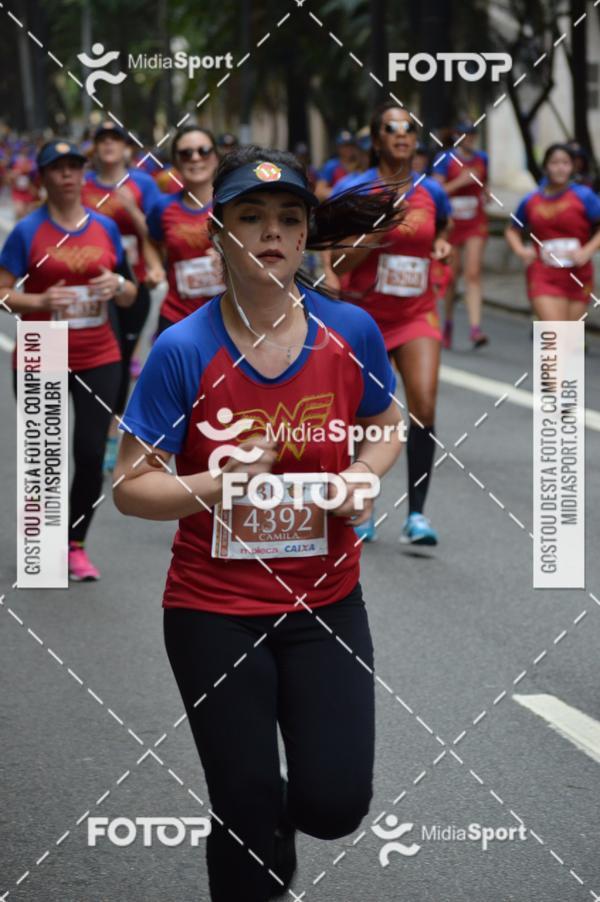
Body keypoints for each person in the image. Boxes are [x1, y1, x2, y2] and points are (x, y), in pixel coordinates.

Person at [113, 145, 403, 902]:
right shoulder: (183, 349)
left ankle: (277, 818)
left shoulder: (351, 332)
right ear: (219, 234)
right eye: (251, 217)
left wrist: (363, 477)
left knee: (333, 806)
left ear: (306, 237)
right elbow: (130, 489)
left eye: (288, 219)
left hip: (326, 605)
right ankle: (252, 832)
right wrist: (220, 481)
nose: (271, 232)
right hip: (214, 610)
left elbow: (387, 421)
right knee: (242, 804)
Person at [0, 139, 136, 580]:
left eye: (75, 166)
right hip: (42, 346)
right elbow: (3, 294)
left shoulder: (105, 227)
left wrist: (116, 284)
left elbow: (132, 291)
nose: (68, 175)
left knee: (92, 453)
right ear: (42, 177)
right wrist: (39, 297)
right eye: (57, 168)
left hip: (100, 352)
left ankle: (75, 544)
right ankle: (42, 543)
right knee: (46, 455)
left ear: (83, 173)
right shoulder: (27, 231)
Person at [330, 100, 452, 545]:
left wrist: (439, 246)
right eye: (391, 128)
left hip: (416, 314)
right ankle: (362, 503)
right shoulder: (354, 189)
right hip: (364, 320)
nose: (401, 134)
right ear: (377, 139)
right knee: (366, 415)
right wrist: (378, 230)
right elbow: (339, 261)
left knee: (423, 405)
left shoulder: (431, 192)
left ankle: (417, 515)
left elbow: (441, 229)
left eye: (408, 128)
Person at [81, 121, 165, 470]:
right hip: (94, 284)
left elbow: (158, 233)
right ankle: (106, 432)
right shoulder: (82, 186)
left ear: (127, 148)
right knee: (110, 359)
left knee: (124, 353)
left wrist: (131, 209)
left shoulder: (143, 184)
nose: (109, 145)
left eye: (116, 138)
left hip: (135, 282)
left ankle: (114, 428)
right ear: (95, 147)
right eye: (102, 139)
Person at [505, 142, 600, 322]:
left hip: (578, 275)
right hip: (543, 273)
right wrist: (521, 251)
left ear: (572, 167)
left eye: (565, 163)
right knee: (553, 334)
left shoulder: (584, 196)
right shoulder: (531, 200)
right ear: (546, 167)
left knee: (569, 342)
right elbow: (512, 230)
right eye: (554, 163)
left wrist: (587, 251)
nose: (560, 168)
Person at [147, 125, 223, 334]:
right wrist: (155, 268)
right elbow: (150, 240)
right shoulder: (163, 207)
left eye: (204, 150)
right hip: (178, 317)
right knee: (50, 367)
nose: (195, 158)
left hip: (229, 317)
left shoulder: (237, 206)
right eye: (186, 153)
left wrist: (231, 258)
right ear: (176, 162)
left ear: (216, 156)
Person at [432, 122, 489, 349]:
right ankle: (448, 322)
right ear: (456, 136)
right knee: (452, 277)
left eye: (473, 134)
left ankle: (476, 329)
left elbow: (485, 184)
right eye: (465, 135)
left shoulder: (483, 158)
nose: (470, 139)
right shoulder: (443, 159)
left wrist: (486, 193)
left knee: (473, 273)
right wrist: (460, 182)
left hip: (476, 221)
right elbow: (436, 192)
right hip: (452, 224)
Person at [315, 130, 359, 200]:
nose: (349, 148)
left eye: (351, 145)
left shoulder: (361, 164)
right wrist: (342, 193)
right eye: (345, 146)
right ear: (338, 147)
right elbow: (319, 192)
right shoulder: (332, 165)